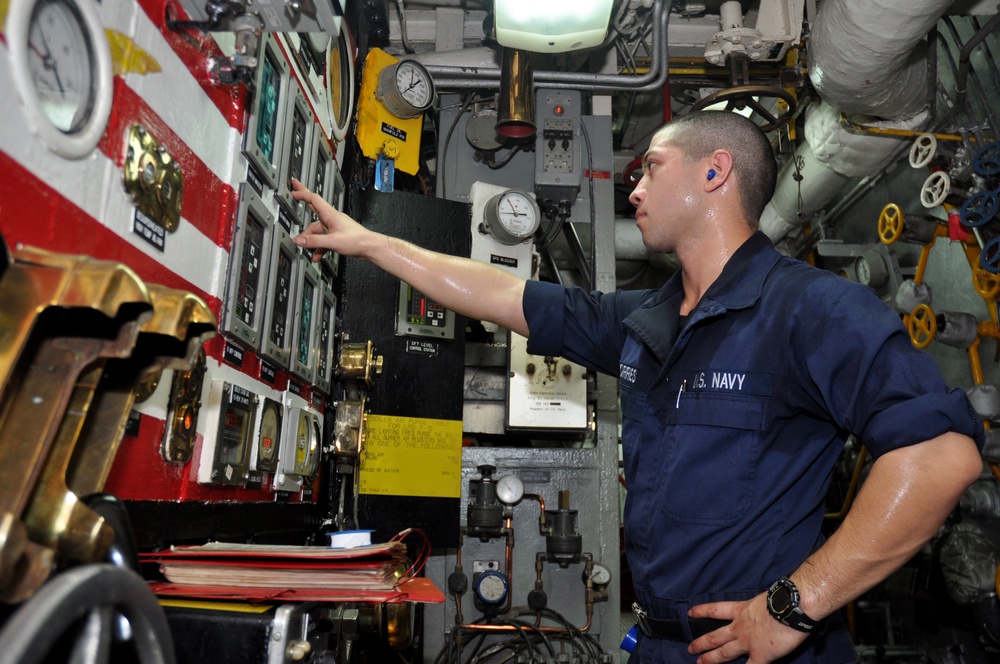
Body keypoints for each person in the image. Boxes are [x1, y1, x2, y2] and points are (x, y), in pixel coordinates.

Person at [290, 110, 985, 664]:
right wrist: (375, 242)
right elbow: (501, 293)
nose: (635, 187)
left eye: (651, 167)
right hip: (659, 642)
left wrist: (794, 605)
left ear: (715, 173)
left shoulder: (812, 311)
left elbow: (939, 455)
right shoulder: (641, 321)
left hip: (763, 647)